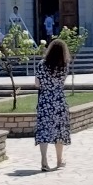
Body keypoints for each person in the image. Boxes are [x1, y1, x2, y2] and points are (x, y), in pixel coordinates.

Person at [34, 37, 71, 171]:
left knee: (44, 129)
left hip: (45, 100)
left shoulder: (41, 64)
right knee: (59, 130)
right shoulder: (64, 65)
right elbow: (63, 82)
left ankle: (44, 160)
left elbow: (37, 84)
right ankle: (59, 160)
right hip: (59, 100)